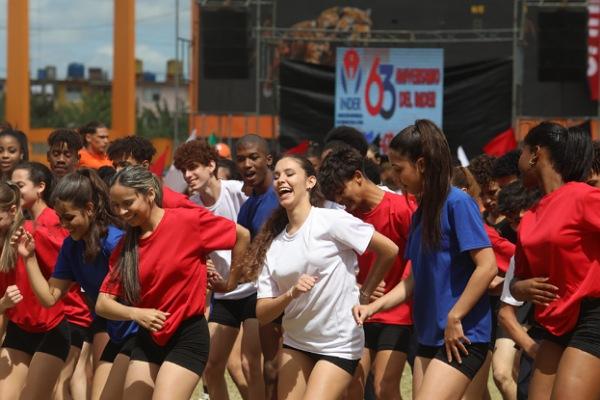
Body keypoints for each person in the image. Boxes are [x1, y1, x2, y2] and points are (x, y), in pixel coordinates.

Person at [354, 120, 497, 400]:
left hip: (462, 334)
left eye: (399, 168)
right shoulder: (421, 212)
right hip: (430, 335)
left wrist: (456, 316)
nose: (395, 177)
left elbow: (487, 265)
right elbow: (414, 279)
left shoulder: (458, 202)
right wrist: (372, 307)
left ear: (420, 164)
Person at [242, 155, 398, 399]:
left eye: (290, 174)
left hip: (338, 343)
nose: (281, 179)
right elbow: (262, 313)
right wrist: (291, 294)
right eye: (278, 175)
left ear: (310, 182)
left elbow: (389, 250)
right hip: (297, 342)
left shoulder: (331, 221)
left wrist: (364, 294)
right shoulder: (272, 244)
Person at [96, 166, 250, 400]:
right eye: (116, 206)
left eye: (127, 203)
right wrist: (136, 314)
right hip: (149, 338)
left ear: (149, 194)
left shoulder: (187, 221)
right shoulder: (124, 248)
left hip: (187, 336)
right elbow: (103, 305)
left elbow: (242, 235)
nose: (122, 212)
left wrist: (230, 282)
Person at [14, 168, 134, 400]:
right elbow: (49, 298)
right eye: (60, 218)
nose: (64, 225)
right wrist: (29, 258)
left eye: (69, 217)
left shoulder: (114, 242)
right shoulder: (71, 246)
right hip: (115, 330)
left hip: (141, 331)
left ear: (89, 209)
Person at [510, 122, 600, 399]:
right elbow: (516, 282)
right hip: (554, 322)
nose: (519, 160)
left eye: (522, 152)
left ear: (535, 153)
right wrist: (520, 289)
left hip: (593, 315)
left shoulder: (582, 197)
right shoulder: (531, 217)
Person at [318, 147, 413, 400]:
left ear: (358, 176)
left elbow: (418, 259)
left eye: (341, 192)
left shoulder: (401, 208)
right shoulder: (347, 218)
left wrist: (396, 291)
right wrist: (363, 286)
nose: (340, 201)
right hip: (360, 313)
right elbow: (344, 265)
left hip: (399, 313)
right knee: (351, 386)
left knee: (384, 386)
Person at [173, 139, 264, 400]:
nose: (188, 175)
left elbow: (261, 229)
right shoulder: (191, 207)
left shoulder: (237, 192)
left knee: (250, 365)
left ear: (211, 165)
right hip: (224, 293)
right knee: (211, 367)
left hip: (255, 289)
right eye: (184, 171)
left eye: (193, 168)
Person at [11, 162, 94, 400]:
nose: (15, 193)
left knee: (63, 387)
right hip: (38, 319)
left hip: (69, 318)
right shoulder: (28, 226)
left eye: (20, 186)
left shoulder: (52, 226)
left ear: (40, 187)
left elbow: (68, 276)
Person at [0, 180, 71, 400]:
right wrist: (3, 304)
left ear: (12, 210)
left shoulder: (33, 233)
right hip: (18, 331)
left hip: (51, 330)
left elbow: (69, 269)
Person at [452, 166, 516, 400]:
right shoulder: (437, 226)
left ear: (461, 192)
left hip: (479, 322)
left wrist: (499, 282)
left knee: (483, 386)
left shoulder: (481, 232)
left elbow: (522, 258)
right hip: (452, 325)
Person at [235, 134, 281, 399]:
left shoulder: (285, 195)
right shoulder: (248, 207)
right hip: (266, 295)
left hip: (299, 292)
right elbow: (247, 255)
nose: (247, 164)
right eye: (241, 159)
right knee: (271, 368)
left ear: (268, 159)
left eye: (254, 157)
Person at [107, 135, 197, 209]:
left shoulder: (174, 202)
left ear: (144, 166)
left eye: (124, 165)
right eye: (115, 166)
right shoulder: (114, 201)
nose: (117, 171)